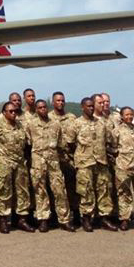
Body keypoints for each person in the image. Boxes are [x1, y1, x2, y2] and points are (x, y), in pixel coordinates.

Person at [68, 96, 116, 232]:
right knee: (86, 191)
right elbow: (70, 143)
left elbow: (108, 141)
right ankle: (87, 218)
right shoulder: (76, 124)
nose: (90, 108)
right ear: (82, 107)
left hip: (101, 162)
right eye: (88, 106)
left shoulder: (101, 123)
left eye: (91, 106)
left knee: (104, 190)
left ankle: (104, 218)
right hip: (84, 163)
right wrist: (81, 155)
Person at [26, 100, 75, 233]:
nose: (43, 109)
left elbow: (60, 144)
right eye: (40, 108)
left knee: (60, 190)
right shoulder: (31, 125)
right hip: (38, 162)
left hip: (54, 162)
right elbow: (28, 143)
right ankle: (43, 220)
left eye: (44, 107)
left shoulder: (55, 124)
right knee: (40, 192)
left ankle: (64, 220)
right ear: (36, 110)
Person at [0, 102, 34, 232]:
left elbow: (27, 143)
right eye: (10, 111)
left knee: (22, 192)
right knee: (4, 191)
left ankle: (21, 219)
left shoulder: (21, 125)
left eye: (15, 111)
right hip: (4, 162)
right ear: (4, 113)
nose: (13, 113)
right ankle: (4, 219)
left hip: (19, 162)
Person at [49, 91, 78, 221]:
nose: (60, 103)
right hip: (54, 159)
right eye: (58, 100)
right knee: (55, 188)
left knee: (73, 187)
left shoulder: (72, 117)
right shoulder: (48, 117)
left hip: (70, 157)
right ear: (53, 102)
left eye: (62, 100)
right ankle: (55, 214)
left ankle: (76, 213)